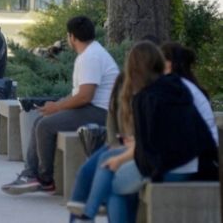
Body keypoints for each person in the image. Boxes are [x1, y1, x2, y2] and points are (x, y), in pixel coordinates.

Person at [68, 41, 218, 222]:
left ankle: (87, 212)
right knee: (106, 163)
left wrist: (123, 156)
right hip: (187, 159)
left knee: (113, 184)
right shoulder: (177, 87)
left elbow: (151, 147)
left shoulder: (146, 98)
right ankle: (88, 210)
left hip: (171, 165)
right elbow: (161, 137)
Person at [2, 16, 119, 195]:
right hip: (93, 109)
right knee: (40, 121)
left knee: (45, 125)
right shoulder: (91, 53)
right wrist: (57, 104)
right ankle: (30, 173)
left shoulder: (90, 57)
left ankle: (44, 179)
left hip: (100, 113)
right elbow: (78, 94)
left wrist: (57, 108)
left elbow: (86, 96)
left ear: (71, 37)